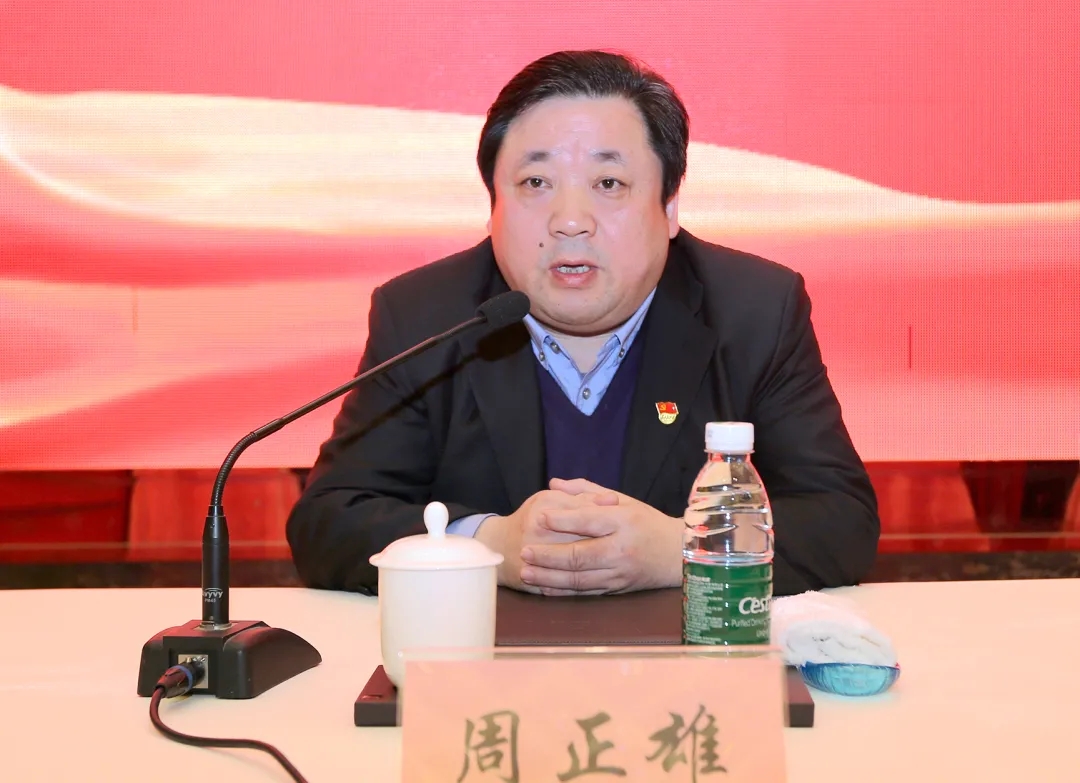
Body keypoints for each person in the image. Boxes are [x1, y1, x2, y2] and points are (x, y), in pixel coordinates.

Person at [286, 50, 879, 598]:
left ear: (669, 206)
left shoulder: (754, 310)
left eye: (609, 184)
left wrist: (684, 549)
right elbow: (329, 521)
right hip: (482, 662)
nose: (570, 221)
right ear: (493, 205)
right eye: (535, 183)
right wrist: (487, 545)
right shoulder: (426, 314)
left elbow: (841, 520)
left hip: (691, 659)